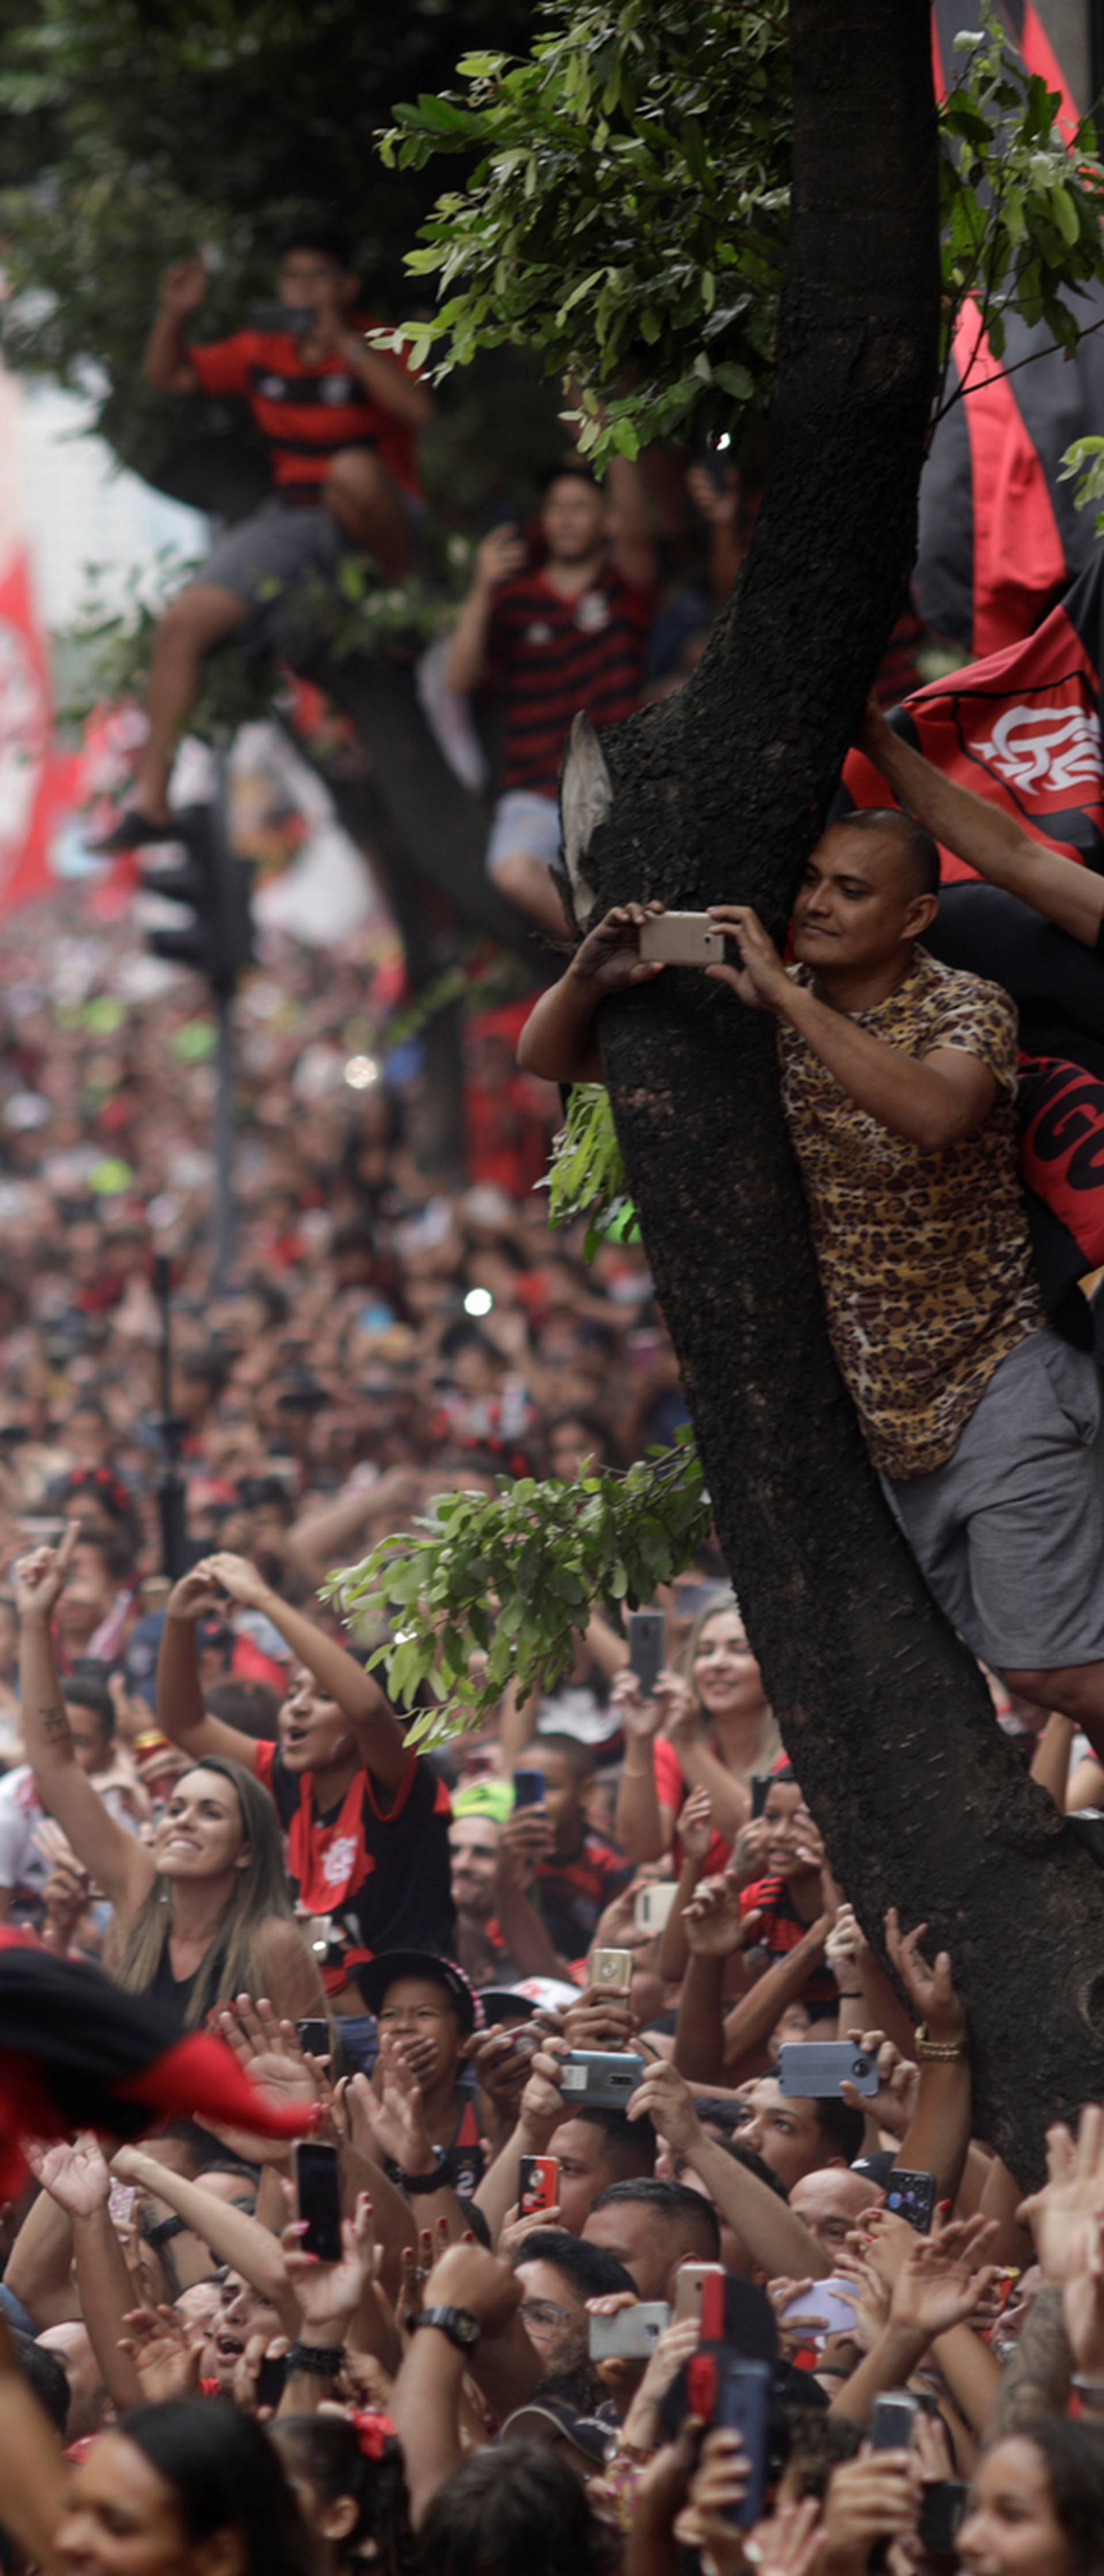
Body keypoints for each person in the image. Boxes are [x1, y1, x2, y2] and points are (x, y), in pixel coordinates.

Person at [518, 842, 1104, 1757]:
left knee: (1052, 1672)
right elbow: (546, 1053)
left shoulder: (964, 1004)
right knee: (1023, 1668)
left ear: (914, 918)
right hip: (884, 1412)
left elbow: (936, 1115)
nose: (818, 904)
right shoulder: (768, 999)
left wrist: (789, 1002)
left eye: (852, 890)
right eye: (811, 882)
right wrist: (588, 980)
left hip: (1001, 1371)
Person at [100, 225, 432, 851]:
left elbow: (419, 413)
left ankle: (402, 609)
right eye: (294, 279)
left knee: (351, 470)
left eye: (318, 278)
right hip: (295, 518)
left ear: (346, 287)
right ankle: (151, 800)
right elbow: (168, 375)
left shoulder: (380, 340)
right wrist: (176, 315)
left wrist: (345, 345)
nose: (303, 291)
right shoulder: (263, 347)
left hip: (380, 511)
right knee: (182, 623)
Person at [16, 1534, 324, 2028]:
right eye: (176, 1808)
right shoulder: (137, 1892)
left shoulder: (273, 1944)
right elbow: (54, 1762)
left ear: (246, 1848)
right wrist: (34, 1621)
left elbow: (312, 2077)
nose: (183, 1823)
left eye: (211, 1813)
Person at [155, 1554, 453, 2050]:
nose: (296, 1706)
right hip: (302, 2025)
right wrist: (179, 1620)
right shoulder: (290, 1779)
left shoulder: (399, 1781)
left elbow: (367, 1707)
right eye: (293, 1692)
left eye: (320, 1697)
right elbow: (185, 1724)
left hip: (394, 2037)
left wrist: (264, 1599)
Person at [444, 462, 657, 934]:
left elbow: (639, 532)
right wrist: (482, 586)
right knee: (513, 872)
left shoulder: (624, 586)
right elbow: (458, 680)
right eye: (556, 507)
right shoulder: (515, 598)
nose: (564, 518)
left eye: (580, 508)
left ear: (609, 521)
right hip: (537, 793)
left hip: (619, 787)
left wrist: (611, 426)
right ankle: (606, 956)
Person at [614, 1588, 781, 1870]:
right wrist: (640, 1740)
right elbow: (642, 1848)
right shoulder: (671, 1747)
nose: (716, 1664)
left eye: (739, 1650)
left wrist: (688, 1746)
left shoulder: (799, 1751)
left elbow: (759, 1846)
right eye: (705, 1652)